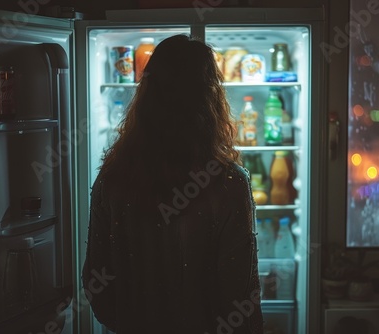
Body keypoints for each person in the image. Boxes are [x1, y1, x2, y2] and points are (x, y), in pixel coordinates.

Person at [82, 34, 264, 334]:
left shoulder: (112, 179)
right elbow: (240, 297)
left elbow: (96, 282)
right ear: (210, 99)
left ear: (146, 95)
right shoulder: (229, 183)